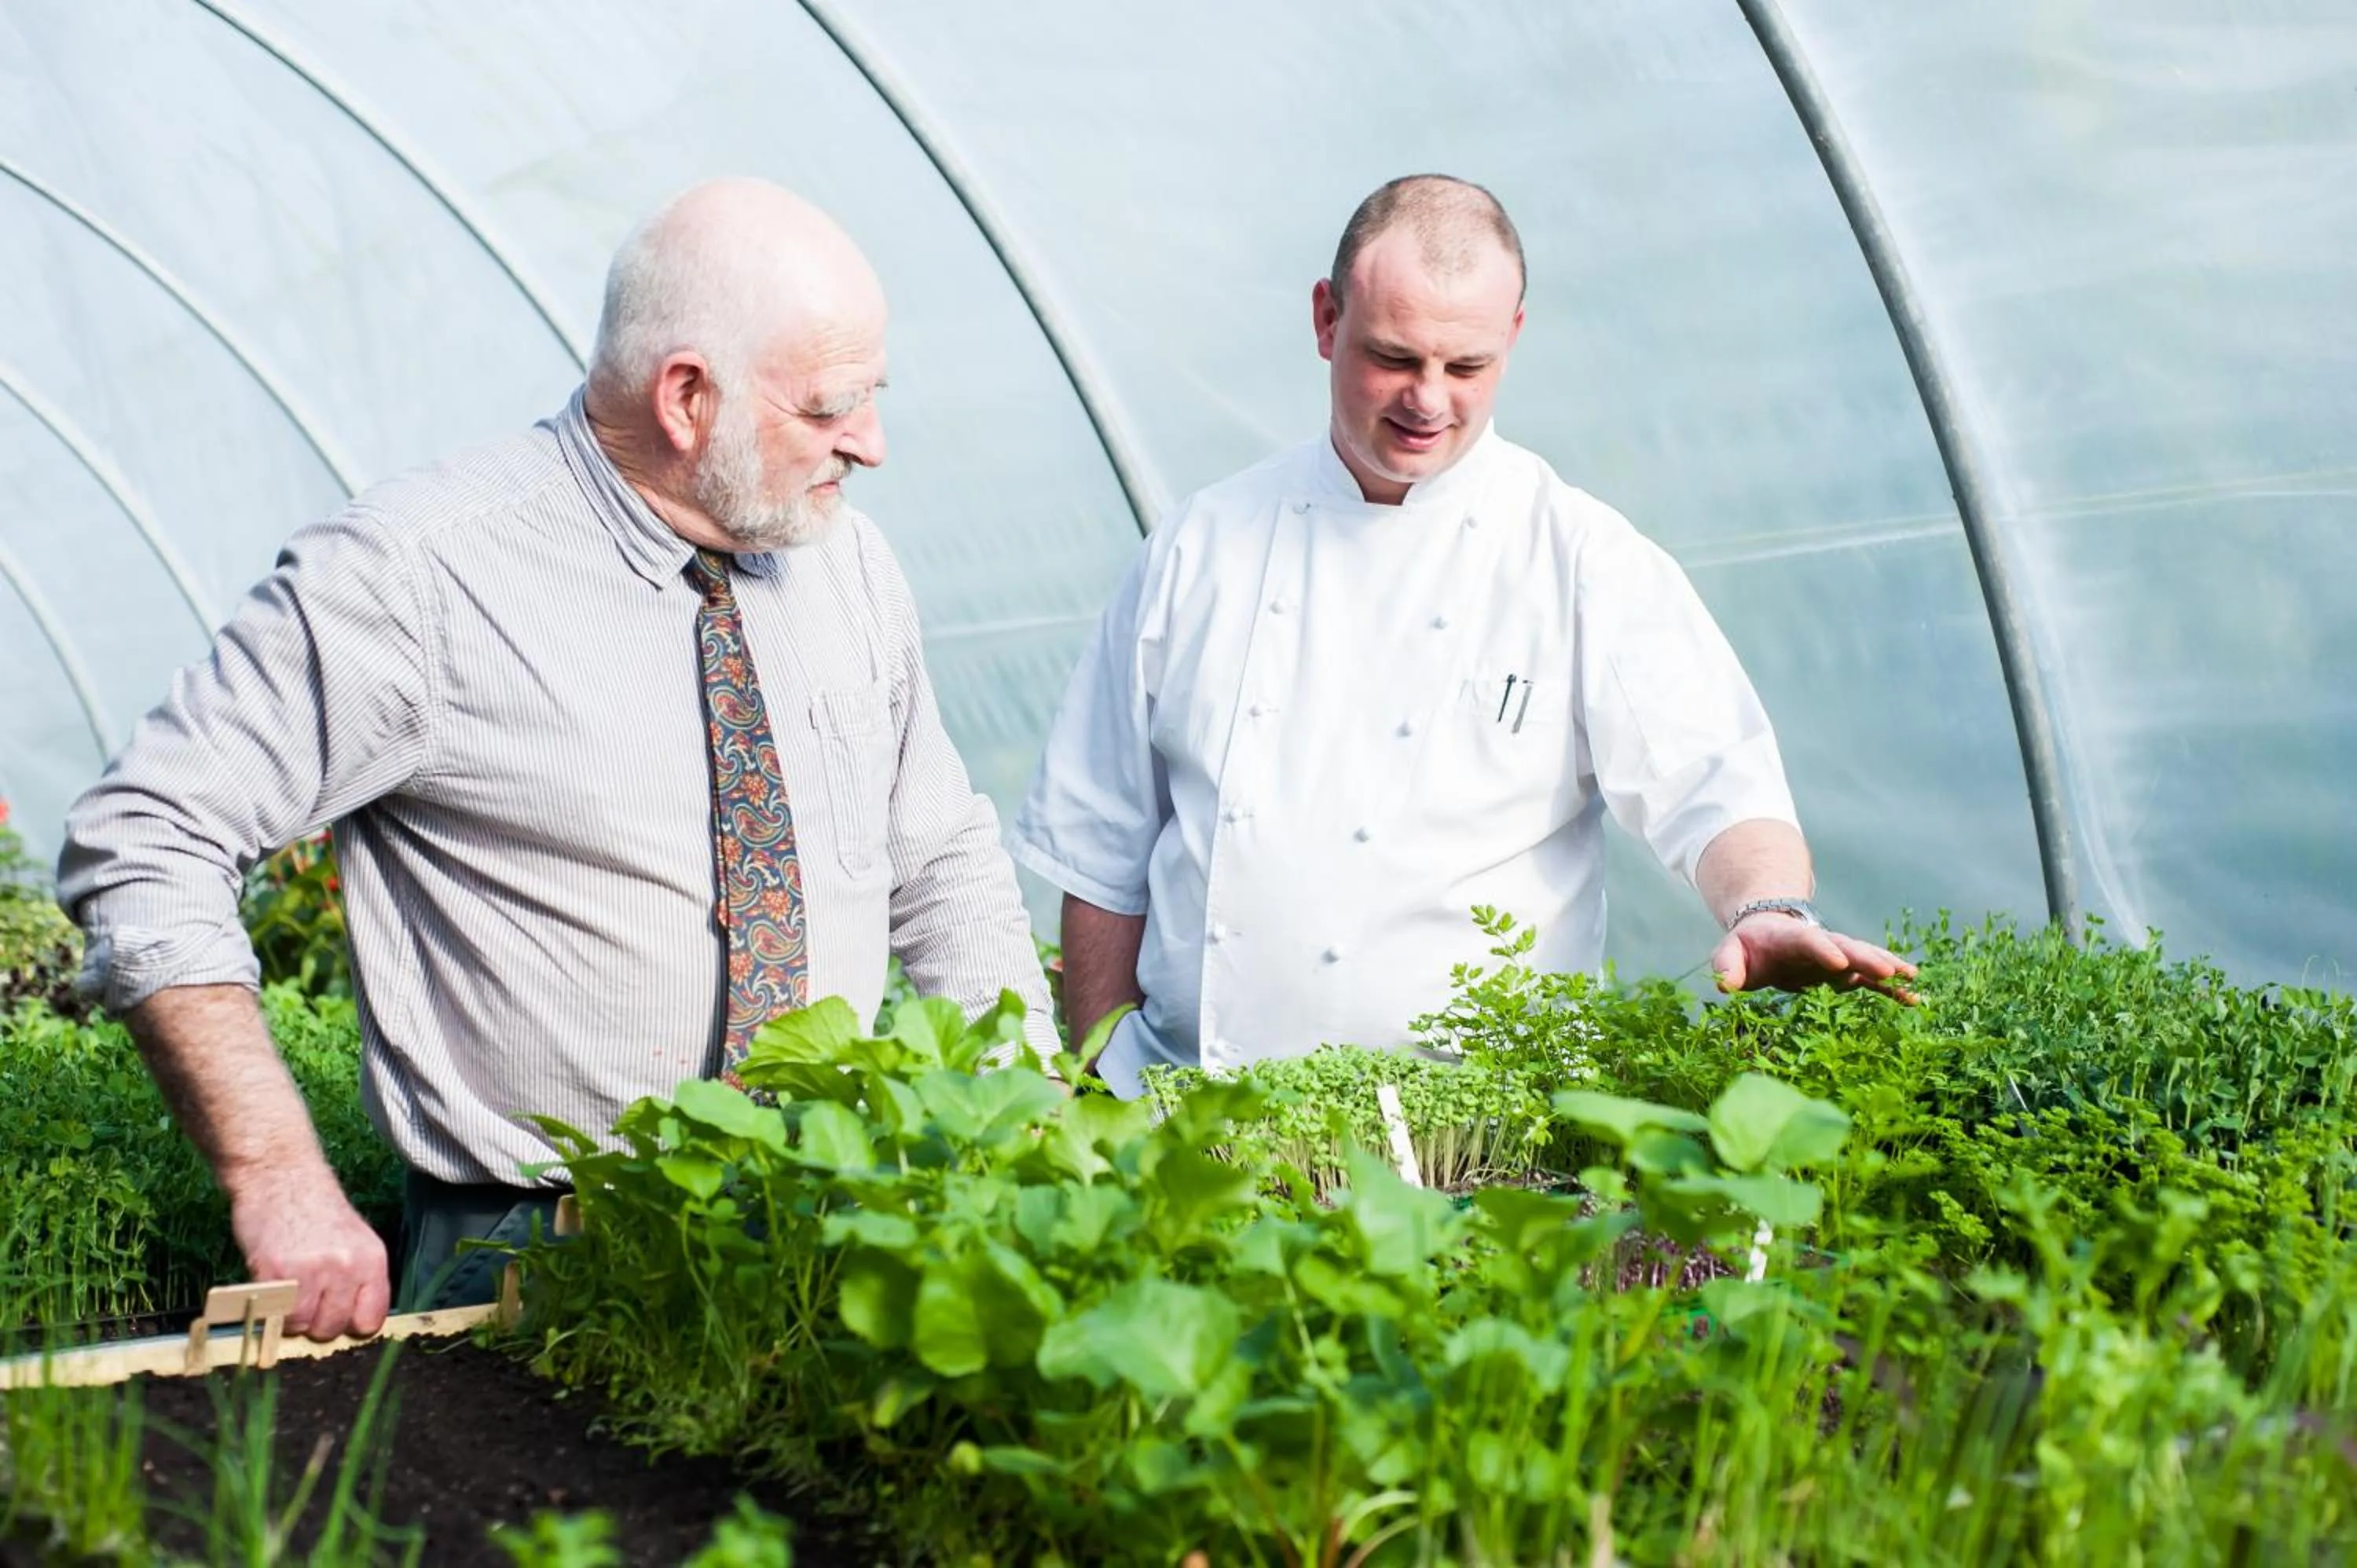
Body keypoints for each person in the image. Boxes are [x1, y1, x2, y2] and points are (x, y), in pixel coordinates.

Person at [57, 179, 1057, 1339]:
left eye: (873, 398)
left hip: (826, 1221)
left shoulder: (848, 565)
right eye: (830, 407)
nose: (870, 444)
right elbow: (148, 833)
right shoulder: (418, 577)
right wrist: (278, 1178)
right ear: (686, 398)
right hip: (533, 1260)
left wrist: (1029, 1113)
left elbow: (936, 856)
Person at [1011, 174, 1914, 1098]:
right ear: (1326, 320)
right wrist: (1103, 1089)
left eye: (1466, 366)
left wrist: (1768, 906)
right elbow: (1103, 848)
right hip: (1196, 1114)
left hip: (1484, 1136)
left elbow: (1717, 785)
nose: (1428, 399)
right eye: (1394, 357)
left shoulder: (1580, 557)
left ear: (1513, 338)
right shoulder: (1200, 547)